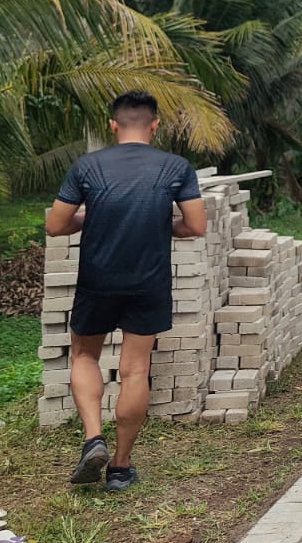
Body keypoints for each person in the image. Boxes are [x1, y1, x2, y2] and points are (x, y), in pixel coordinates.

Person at [44, 90, 207, 492]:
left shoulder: (88, 166)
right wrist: (161, 226)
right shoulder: (176, 166)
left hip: (97, 279)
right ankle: (120, 467)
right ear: (154, 125)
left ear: (113, 125)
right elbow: (196, 226)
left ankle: (92, 438)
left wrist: (87, 218)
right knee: (136, 370)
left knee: (84, 354)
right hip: (148, 281)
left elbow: (55, 225)